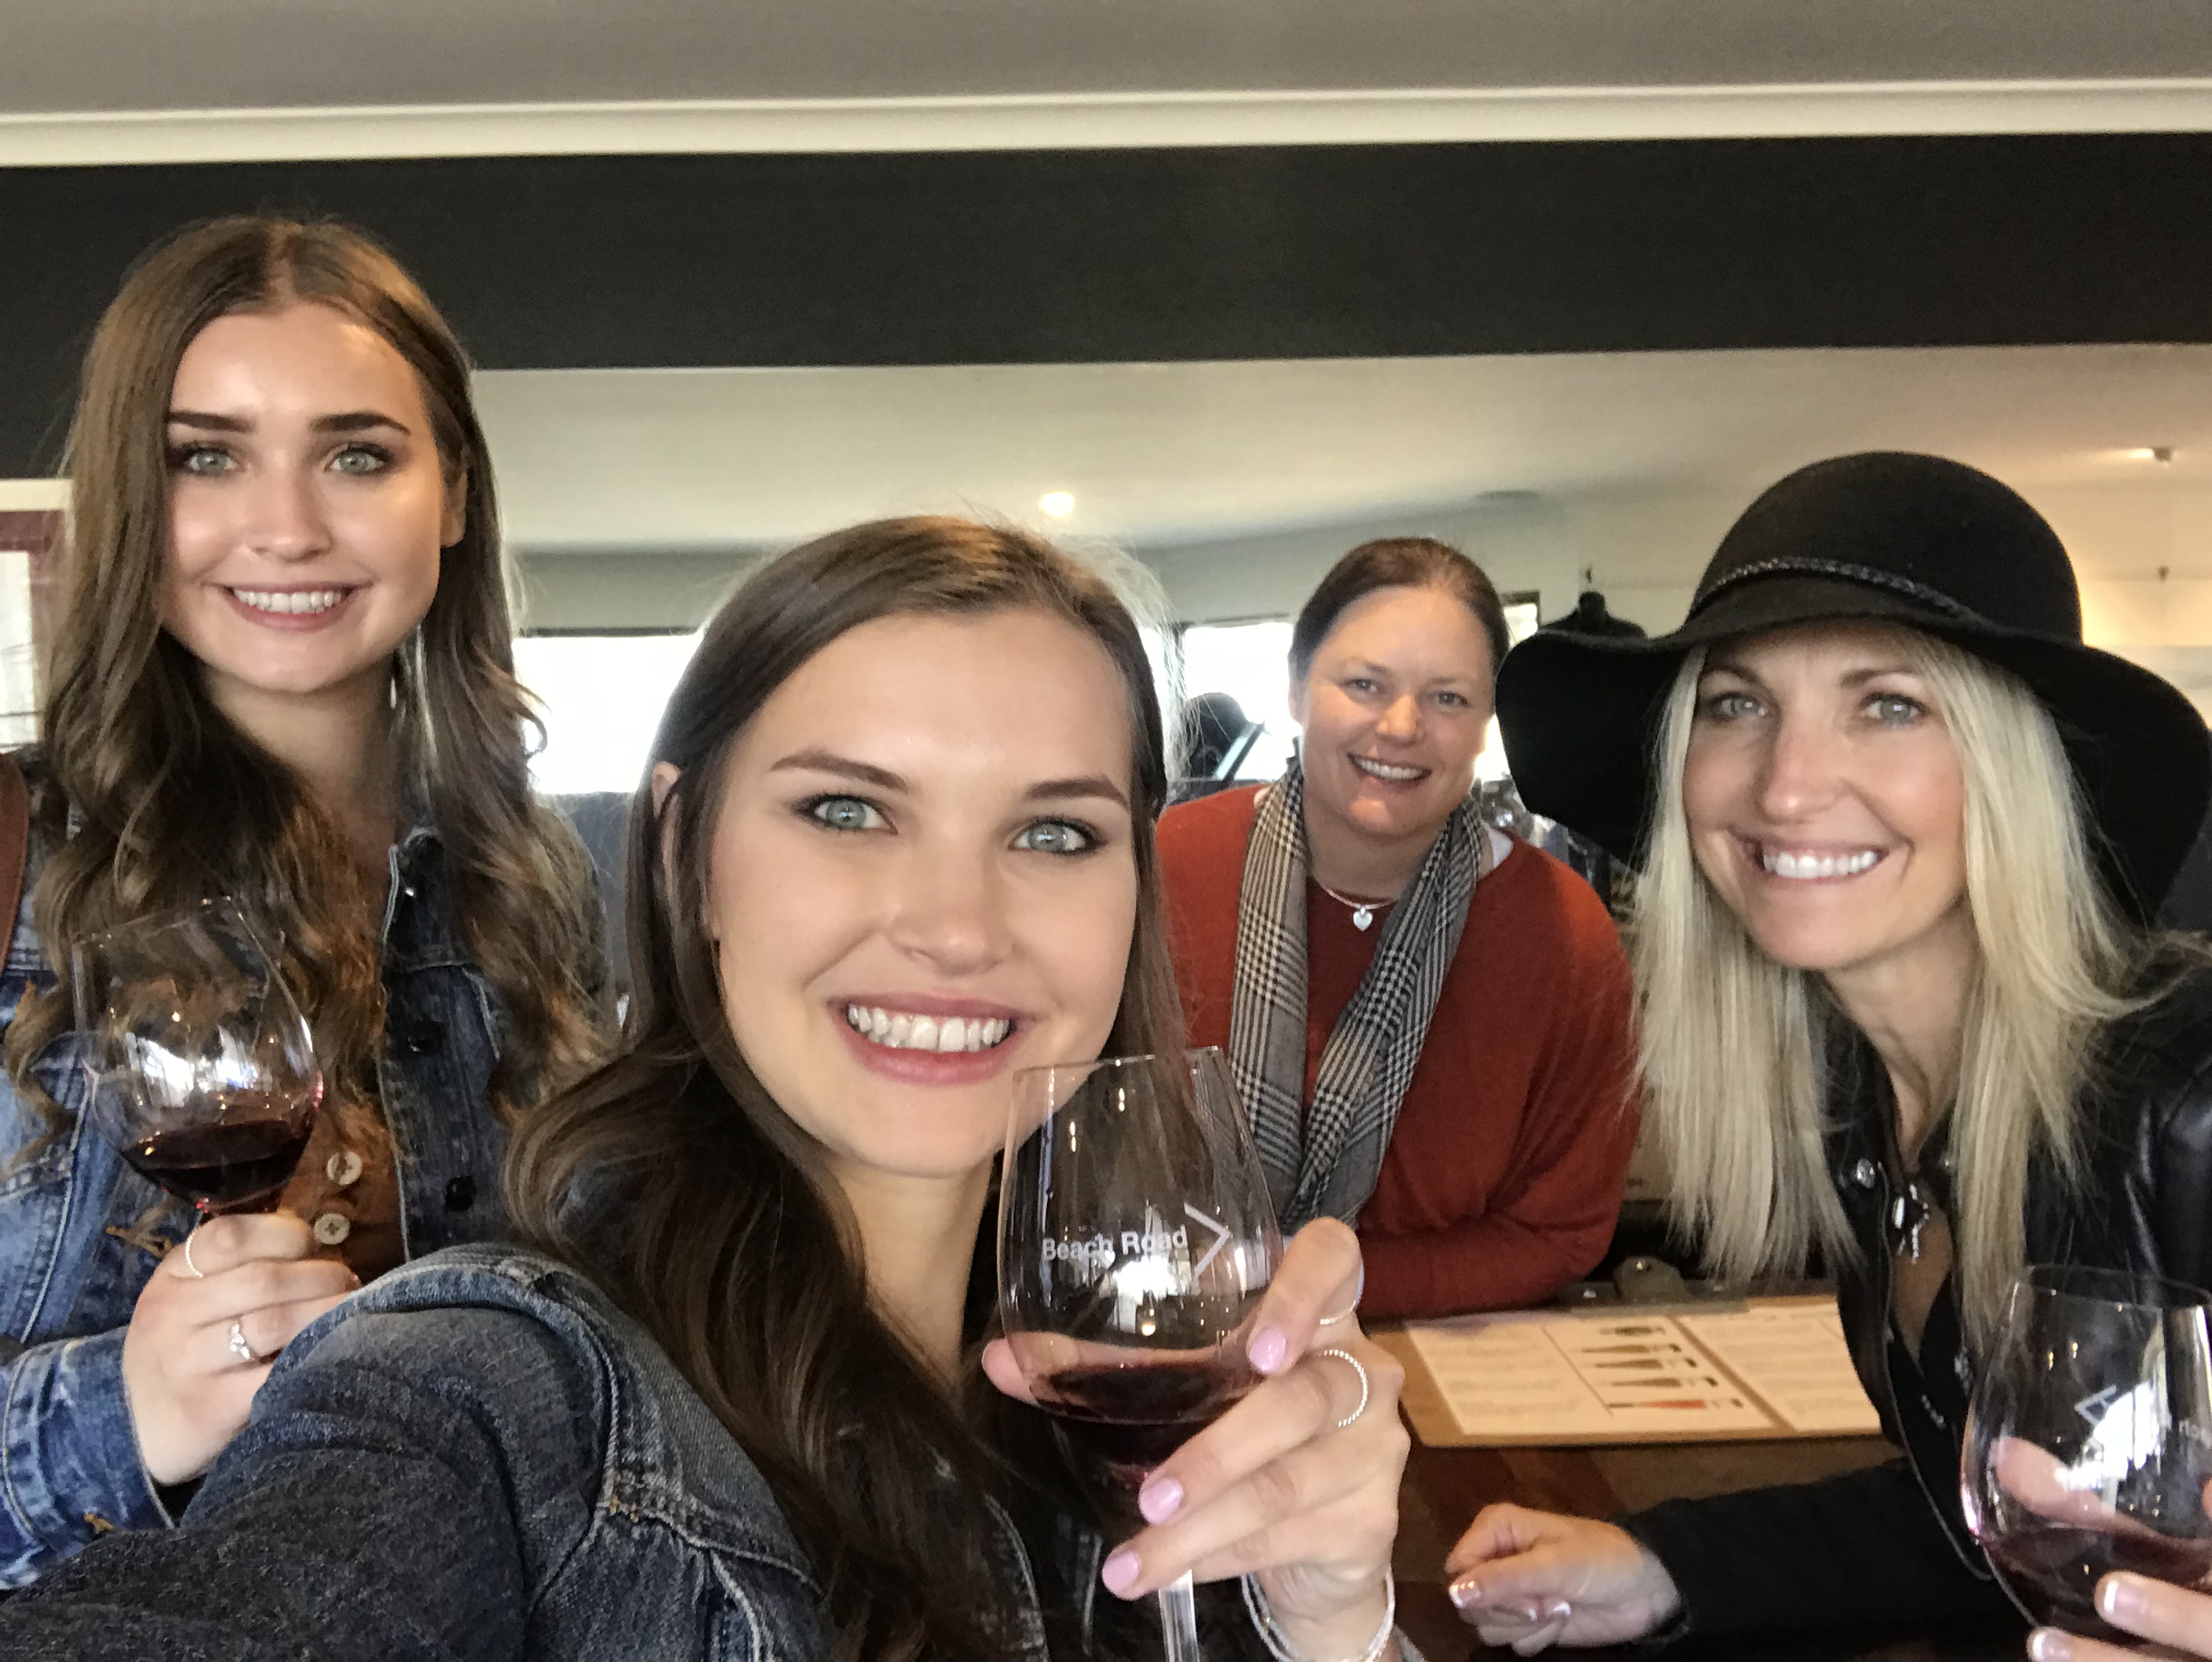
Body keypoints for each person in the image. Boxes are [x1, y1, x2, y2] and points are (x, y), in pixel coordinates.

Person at [0, 517, 1414, 1662]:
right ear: (684, 853)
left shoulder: (1145, 1371)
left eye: (1053, 832)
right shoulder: (500, 1381)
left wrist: (1334, 1621)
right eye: (846, 809)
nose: (957, 926)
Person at [1451, 452, 2212, 1656]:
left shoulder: (2188, 1092)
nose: (1788, 788)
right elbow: (1985, 1520)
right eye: (1735, 704)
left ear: (2011, 766)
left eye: (1889, 704)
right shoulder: (1866, 1108)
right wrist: (1661, 1564)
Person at [0, 216, 607, 1585]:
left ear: (452, 496)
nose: (285, 529)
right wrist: (117, 1414)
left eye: (357, 456)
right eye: (205, 457)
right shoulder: (15, 860)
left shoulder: (532, 884)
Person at [1158, 537, 1639, 1321]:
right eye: (1364, 684)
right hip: (1163, 1337)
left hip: (1437, 1359)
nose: (1402, 724)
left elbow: (1558, 1233)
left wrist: (1317, 1287)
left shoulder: (1563, 933)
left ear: (1485, 724)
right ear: (1295, 688)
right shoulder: (1165, 870)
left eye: (1448, 698)